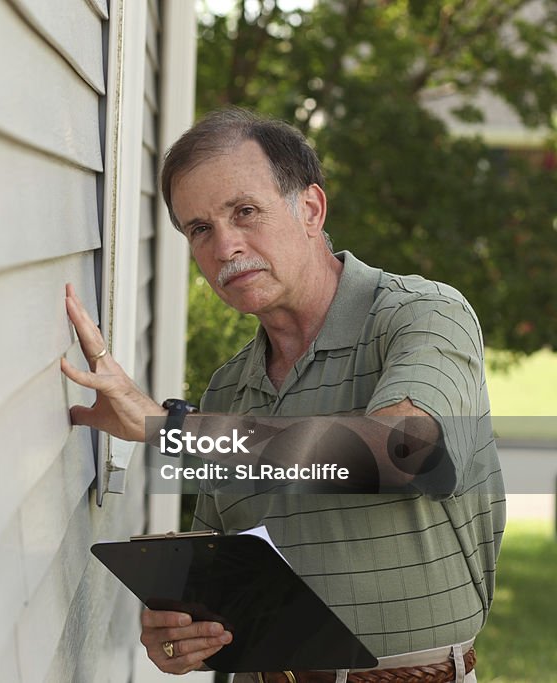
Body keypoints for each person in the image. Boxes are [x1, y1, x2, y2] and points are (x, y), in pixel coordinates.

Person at [61, 108, 504, 681]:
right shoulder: (230, 386)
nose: (224, 246)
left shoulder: (422, 315)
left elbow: (406, 452)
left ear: (311, 210)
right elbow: (230, 576)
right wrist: (184, 632)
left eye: (245, 211)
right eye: (199, 229)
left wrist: (169, 429)